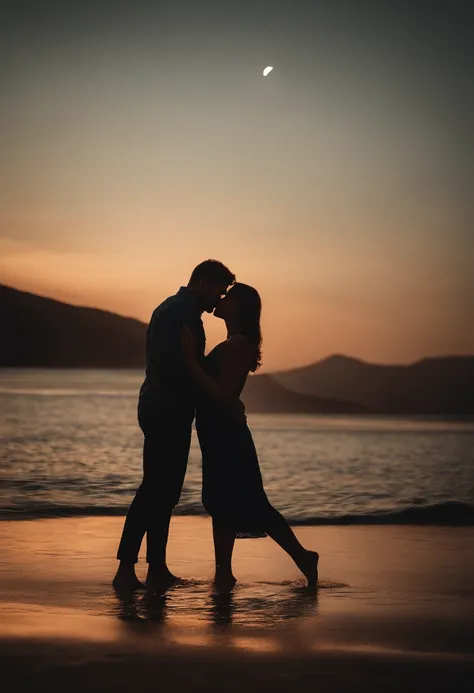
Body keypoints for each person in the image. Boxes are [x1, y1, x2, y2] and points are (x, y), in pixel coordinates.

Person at [181, 282, 319, 591]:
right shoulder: (232, 342)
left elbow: (223, 395)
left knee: (254, 504)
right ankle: (224, 572)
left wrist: (191, 362)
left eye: (228, 297)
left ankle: (303, 557)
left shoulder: (239, 344)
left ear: (239, 308)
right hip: (215, 433)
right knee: (220, 502)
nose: (222, 298)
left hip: (228, 435)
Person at [113, 259, 236, 590]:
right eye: (218, 291)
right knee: (156, 488)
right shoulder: (180, 313)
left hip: (164, 407)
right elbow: (177, 367)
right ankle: (126, 569)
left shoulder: (177, 309)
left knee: (163, 491)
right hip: (166, 409)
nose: (218, 301)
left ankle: (156, 568)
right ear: (202, 282)